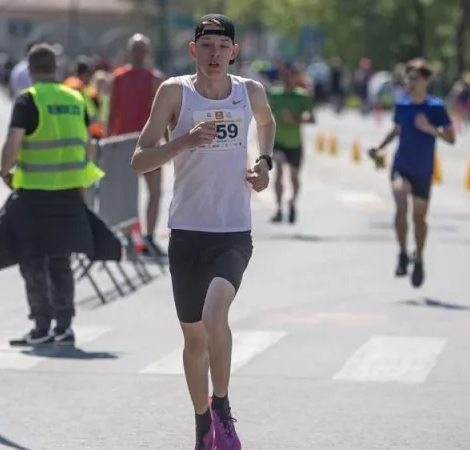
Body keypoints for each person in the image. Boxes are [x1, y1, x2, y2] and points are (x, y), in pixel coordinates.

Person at [130, 14, 274, 450]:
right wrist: (184, 142)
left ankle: (223, 409)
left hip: (232, 231)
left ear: (235, 51)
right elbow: (140, 159)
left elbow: (266, 125)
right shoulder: (176, 92)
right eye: (206, 46)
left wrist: (264, 163)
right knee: (194, 337)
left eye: (222, 46)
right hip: (187, 232)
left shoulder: (251, 92)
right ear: (194, 50)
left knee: (215, 318)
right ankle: (201, 426)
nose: (215, 55)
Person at [0, 43, 105, 347]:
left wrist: (5, 172)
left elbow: (13, 142)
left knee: (33, 260)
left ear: (30, 70)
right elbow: (87, 145)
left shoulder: (28, 99)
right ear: (55, 68)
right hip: (70, 191)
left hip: (34, 193)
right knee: (61, 259)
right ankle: (64, 325)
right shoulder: (75, 98)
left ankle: (41, 326)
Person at [369, 58, 455, 288]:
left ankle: (419, 257)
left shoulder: (435, 107)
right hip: (402, 165)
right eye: (409, 78)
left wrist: (429, 128)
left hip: (423, 170)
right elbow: (397, 129)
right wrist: (379, 147)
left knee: (419, 219)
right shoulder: (403, 105)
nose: (411, 82)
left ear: (426, 81)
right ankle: (402, 252)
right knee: (400, 205)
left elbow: (451, 137)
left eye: (416, 78)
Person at [109, 33, 166, 256]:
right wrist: (108, 140)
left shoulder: (155, 79)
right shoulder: (119, 78)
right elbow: (112, 112)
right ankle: (135, 237)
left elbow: (166, 114)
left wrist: (170, 144)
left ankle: (148, 237)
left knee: (153, 193)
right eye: (136, 50)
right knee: (130, 195)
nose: (138, 54)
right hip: (125, 145)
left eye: (141, 50)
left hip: (148, 143)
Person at [267, 63, 314, 224]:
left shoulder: (302, 96)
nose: (287, 79)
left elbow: (312, 119)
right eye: (284, 75)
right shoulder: (274, 94)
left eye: (290, 75)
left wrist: (296, 119)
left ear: (295, 77)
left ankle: (292, 201)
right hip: (278, 141)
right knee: (278, 171)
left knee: (294, 177)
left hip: (295, 143)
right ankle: (279, 209)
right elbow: (266, 114)